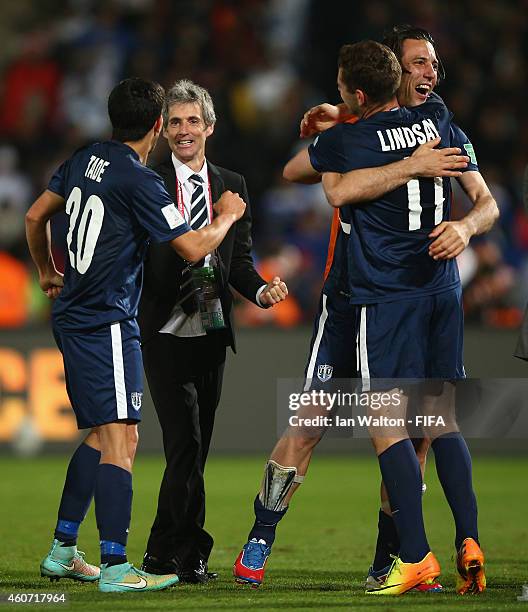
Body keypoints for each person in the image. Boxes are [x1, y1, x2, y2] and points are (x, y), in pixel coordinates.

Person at [234, 40, 498, 595]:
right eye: (417, 63)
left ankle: (396, 555)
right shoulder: (362, 130)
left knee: (411, 430)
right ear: (392, 74)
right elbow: (300, 169)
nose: (429, 73)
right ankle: (260, 536)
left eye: (432, 64)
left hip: (394, 294)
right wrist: (348, 124)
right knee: (311, 423)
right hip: (348, 298)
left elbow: (482, 200)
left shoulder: (434, 120)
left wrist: (467, 226)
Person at [26, 77, 246, 593]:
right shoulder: (140, 180)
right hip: (105, 321)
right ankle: (117, 565)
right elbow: (194, 248)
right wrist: (230, 215)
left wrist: (46, 271)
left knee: (103, 436)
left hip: (72, 315)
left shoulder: (86, 158)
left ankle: (62, 549)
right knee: (122, 440)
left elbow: (37, 216)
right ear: (155, 126)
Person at [138, 79, 288, 583]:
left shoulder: (233, 183)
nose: (184, 131)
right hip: (162, 326)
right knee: (185, 442)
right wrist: (221, 220)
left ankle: (160, 552)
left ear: (210, 127)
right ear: (163, 131)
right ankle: (192, 552)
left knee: (193, 451)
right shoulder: (151, 182)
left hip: (211, 325)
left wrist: (261, 291)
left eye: (192, 121)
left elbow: (238, 260)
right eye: (175, 122)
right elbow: (165, 254)